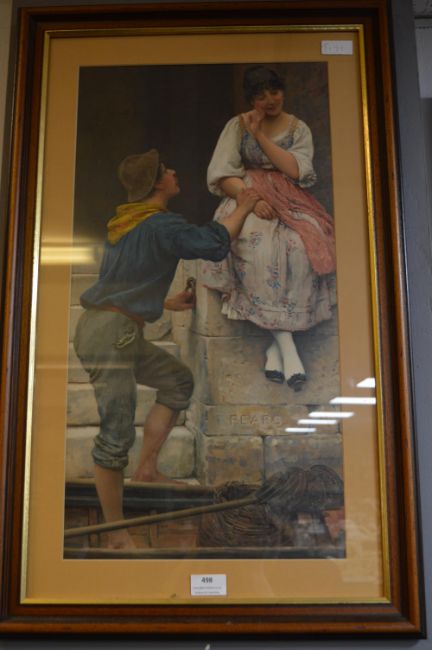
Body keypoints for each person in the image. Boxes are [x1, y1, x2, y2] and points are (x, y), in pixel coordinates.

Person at [73, 149, 259, 549]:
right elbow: (212, 243)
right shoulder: (160, 224)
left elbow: (121, 283)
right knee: (116, 434)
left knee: (177, 382)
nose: (174, 172)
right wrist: (244, 206)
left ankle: (146, 471)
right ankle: (116, 534)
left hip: (109, 328)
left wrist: (166, 302)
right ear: (158, 182)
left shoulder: (125, 221)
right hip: (112, 336)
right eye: (167, 170)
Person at [201, 65, 337, 391]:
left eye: (274, 92)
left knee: (303, 245)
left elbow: (295, 171)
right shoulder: (236, 126)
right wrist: (252, 199)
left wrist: (260, 135)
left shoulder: (298, 128)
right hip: (245, 195)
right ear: (252, 100)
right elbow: (222, 174)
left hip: (290, 199)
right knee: (257, 247)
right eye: (261, 96)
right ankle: (288, 352)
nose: (270, 100)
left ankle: (276, 350)